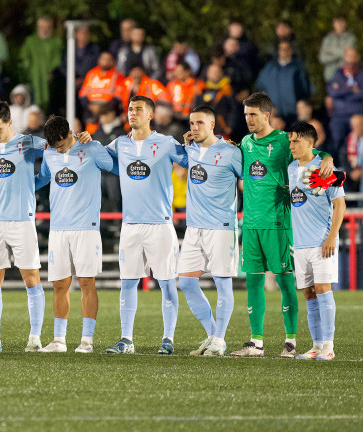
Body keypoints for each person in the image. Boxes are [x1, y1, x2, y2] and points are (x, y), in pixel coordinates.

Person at [230, 93, 333, 358]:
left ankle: (290, 341)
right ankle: (256, 343)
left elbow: (309, 150)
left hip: (278, 223)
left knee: (286, 284)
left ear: (267, 115)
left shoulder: (283, 140)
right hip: (251, 223)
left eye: (253, 115)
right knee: (253, 283)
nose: (248, 120)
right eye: (245, 115)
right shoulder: (245, 142)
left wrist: (327, 156)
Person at [104, 96, 188, 355]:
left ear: (150, 115)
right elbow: (97, 158)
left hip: (160, 225)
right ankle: (126, 339)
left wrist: (199, 143)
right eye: (130, 109)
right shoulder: (119, 144)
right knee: (128, 282)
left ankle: (168, 339)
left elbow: (191, 161)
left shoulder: (165, 143)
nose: (132, 113)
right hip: (130, 225)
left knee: (166, 283)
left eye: (138, 109)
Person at [0, 101, 47, 353]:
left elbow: (56, 153)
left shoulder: (28, 142)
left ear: (10, 122)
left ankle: (35, 339)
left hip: (22, 219)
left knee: (31, 278)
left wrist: (34, 182)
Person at [35, 116, 116, 353]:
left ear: (69, 133)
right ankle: (59, 340)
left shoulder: (92, 148)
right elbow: (41, 179)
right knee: (59, 284)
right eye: (53, 146)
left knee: (86, 283)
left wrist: (96, 141)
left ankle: (87, 341)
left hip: (86, 227)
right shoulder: (49, 153)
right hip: (58, 228)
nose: (57, 150)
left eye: (60, 145)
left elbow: (115, 167)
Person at [178, 105, 242, 357]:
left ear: (212, 125)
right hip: (194, 227)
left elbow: (250, 179)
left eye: (200, 123)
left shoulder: (230, 152)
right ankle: (213, 335)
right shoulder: (190, 149)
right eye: (192, 123)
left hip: (221, 227)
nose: (194, 128)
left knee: (222, 283)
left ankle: (220, 339)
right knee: (185, 282)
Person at [287, 122, 344, 361]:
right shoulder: (290, 168)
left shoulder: (323, 168)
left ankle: (328, 347)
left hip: (322, 241)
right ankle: (316, 345)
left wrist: (332, 236)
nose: (291, 145)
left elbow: (339, 204)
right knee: (309, 293)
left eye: (296, 141)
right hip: (299, 244)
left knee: (323, 290)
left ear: (311, 143)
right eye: (290, 141)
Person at [255, 41, 311, 127]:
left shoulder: (298, 68)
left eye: (287, 49)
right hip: (275, 114)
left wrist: (302, 102)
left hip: (294, 114)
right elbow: (260, 87)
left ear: (291, 51)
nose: (284, 51)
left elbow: (305, 88)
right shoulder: (269, 68)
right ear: (278, 51)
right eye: (282, 49)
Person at [326, 47, 363, 160]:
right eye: (349, 56)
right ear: (344, 57)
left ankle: (357, 167)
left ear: (357, 58)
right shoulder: (338, 73)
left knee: (358, 136)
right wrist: (351, 89)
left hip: (357, 113)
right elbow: (333, 91)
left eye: (353, 56)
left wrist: (341, 91)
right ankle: (339, 165)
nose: (351, 59)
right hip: (339, 115)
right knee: (336, 133)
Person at [19, 17, 62, 111]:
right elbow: (25, 57)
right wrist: (29, 70)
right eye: (42, 26)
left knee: (51, 105)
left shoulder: (56, 42)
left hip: (50, 78)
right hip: (34, 78)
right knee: (34, 103)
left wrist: (52, 71)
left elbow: (57, 59)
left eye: (47, 27)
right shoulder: (30, 40)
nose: (44, 29)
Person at [319, 17, 356, 82]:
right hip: (330, 76)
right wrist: (342, 53)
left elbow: (351, 57)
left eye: (341, 22)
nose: (340, 25)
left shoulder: (351, 38)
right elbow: (322, 58)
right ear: (333, 23)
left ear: (345, 23)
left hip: (347, 76)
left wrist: (331, 52)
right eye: (337, 22)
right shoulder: (327, 39)